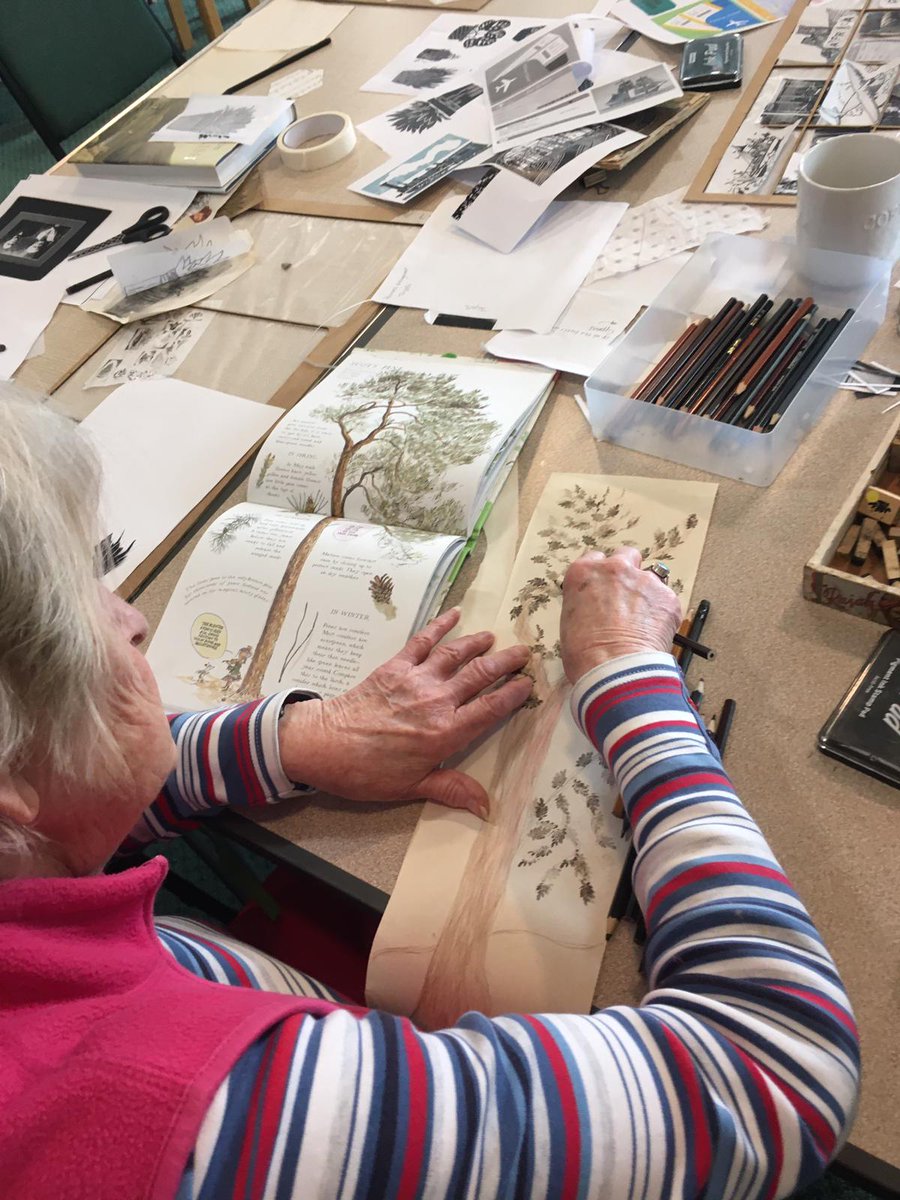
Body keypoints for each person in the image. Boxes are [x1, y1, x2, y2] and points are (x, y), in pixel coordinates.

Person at [0, 390, 858, 1200]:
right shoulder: (190, 1116)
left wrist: (296, 739)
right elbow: (770, 1066)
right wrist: (630, 678)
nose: (131, 618)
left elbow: (57, 782)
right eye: (81, 607)